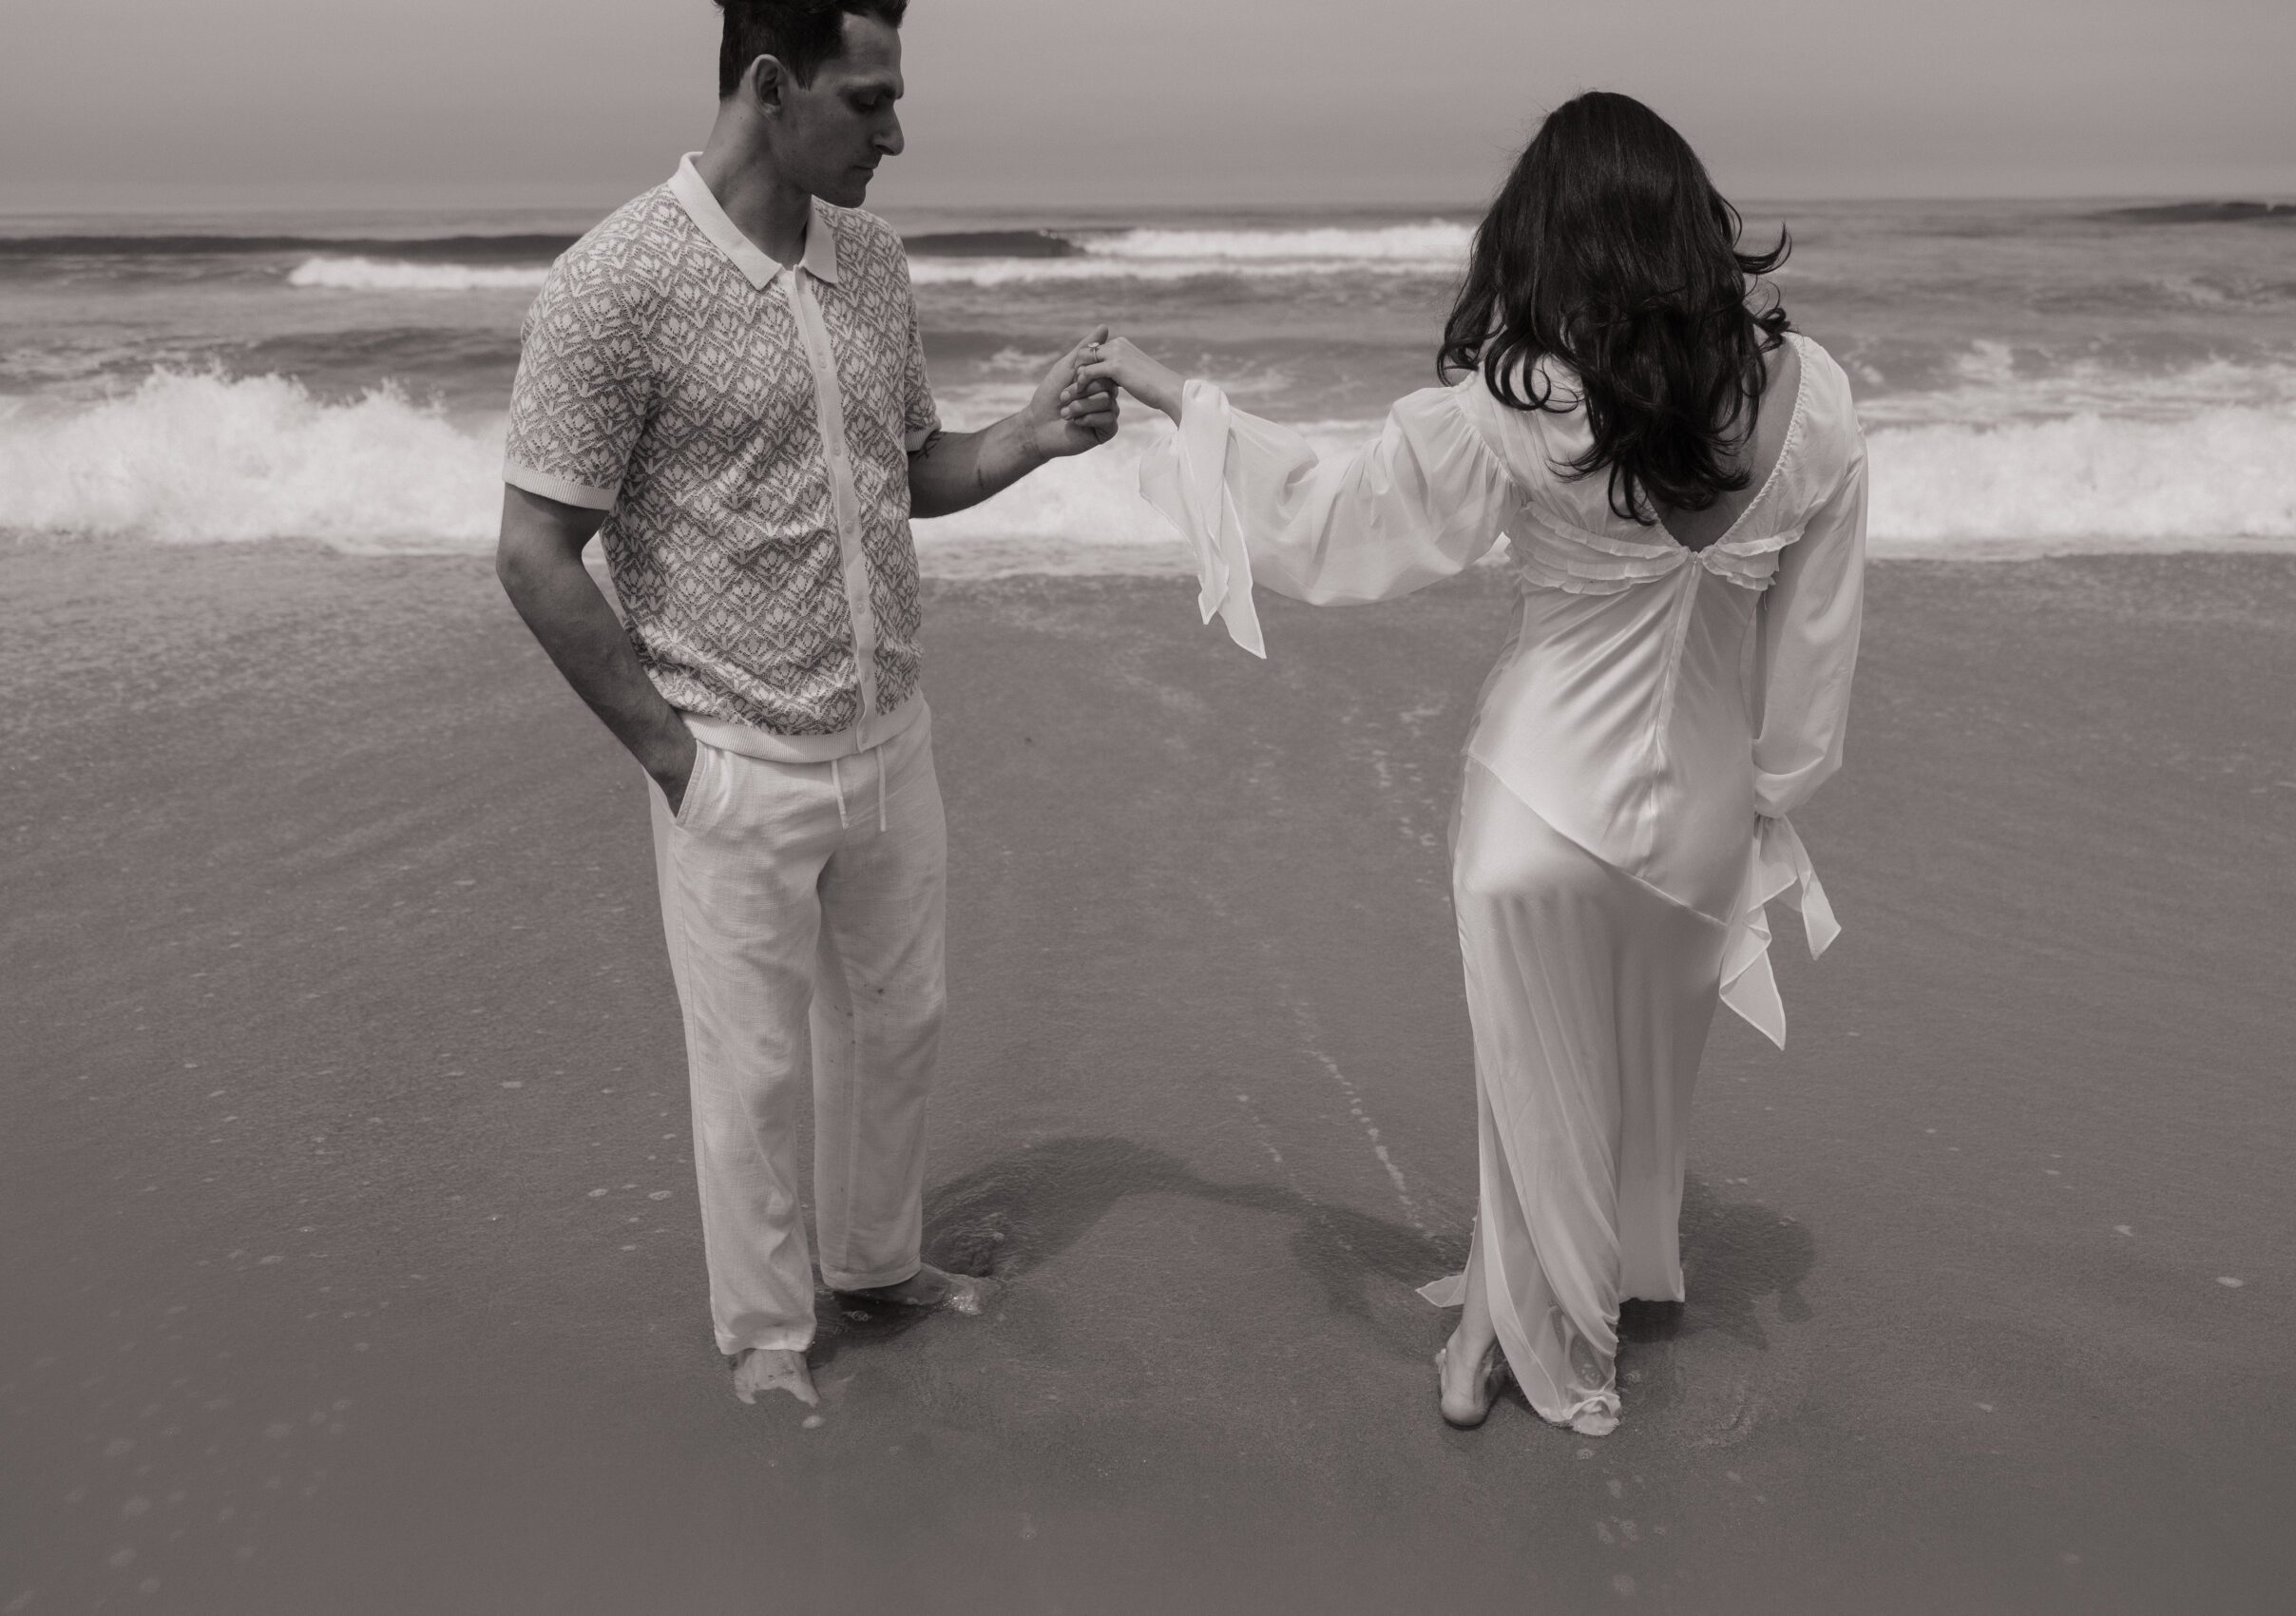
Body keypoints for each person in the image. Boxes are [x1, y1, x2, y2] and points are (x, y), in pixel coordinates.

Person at [1075, 92, 1866, 1434]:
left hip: (1540, 803)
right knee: (1638, 1078)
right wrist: (1773, 800)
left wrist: (1174, 398)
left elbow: (1331, 519)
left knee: (1537, 1084)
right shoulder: (1819, 400)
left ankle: (1539, 1354)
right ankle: (1587, 1289)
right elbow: (1818, 642)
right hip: (1704, 816)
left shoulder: (1524, 406)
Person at [494, 0, 1119, 1412]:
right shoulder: (617, 281)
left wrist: (1029, 437)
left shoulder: (873, 263)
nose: (897, 135)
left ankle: (877, 1265)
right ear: (772, 87)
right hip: (733, 759)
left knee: (902, 1024)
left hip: (894, 738)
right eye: (870, 100)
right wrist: (676, 761)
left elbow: (909, 474)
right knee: (755, 1073)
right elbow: (535, 552)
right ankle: (767, 1336)